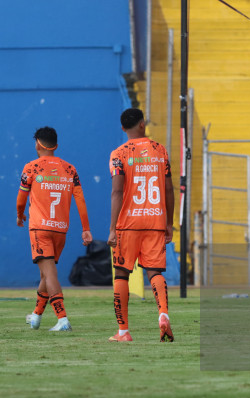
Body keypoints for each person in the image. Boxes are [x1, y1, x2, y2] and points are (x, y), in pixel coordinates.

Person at [107, 108, 175, 342]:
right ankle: (163, 314)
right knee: (154, 272)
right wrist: (169, 222)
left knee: (121, 273)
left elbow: (117, 192)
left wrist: (112, 228)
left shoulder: (118, 154)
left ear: (123, 128)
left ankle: (123, 332)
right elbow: (168, 189)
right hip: (155, 220)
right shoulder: (160, 150)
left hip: (128, 223)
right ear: (142, 124)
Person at [17, 127, 92, 332]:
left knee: (50, 274)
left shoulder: (31, 168)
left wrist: (20, 215)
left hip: (39, 229)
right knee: (46, 273)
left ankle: (62, 319)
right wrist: (86, 228)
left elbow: (21, 199)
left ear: (38, 144)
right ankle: (36, 316)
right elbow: (80, 200)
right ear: (55, 145)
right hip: (60, 230)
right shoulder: (70, 169)